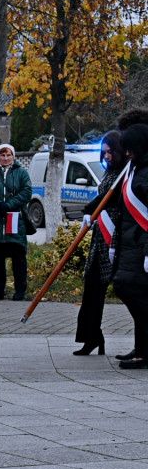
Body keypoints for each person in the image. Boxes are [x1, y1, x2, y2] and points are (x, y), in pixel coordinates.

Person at [74, 131, 124, 356]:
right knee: (92, 287)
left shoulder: (124, 173)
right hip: (101, 236)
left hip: (115, 234)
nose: (107, 156)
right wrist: (90, 211)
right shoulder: (110, 172)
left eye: (110, 151)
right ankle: (92, 337)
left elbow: (110, 198)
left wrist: (89, 209)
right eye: (104, 152)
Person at [111, 124, 148, 369]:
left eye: (130, 149)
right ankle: (142, 347)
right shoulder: (135, 169)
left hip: (140, 245)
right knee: (133, 293)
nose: (126, 154)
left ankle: (145, 352)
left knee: (134, 293)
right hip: (130, 243)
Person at [0, 143, 32, 301]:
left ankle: (20, 290)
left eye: (8, 155)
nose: (5, 158)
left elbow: (26, 192)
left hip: (15, 219)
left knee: (18, 257)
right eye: (2, 155)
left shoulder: (22, 173)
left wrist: (9, 205)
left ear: (13, 156)